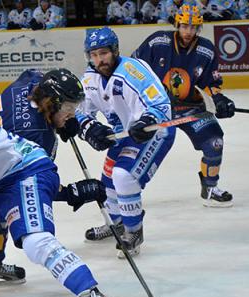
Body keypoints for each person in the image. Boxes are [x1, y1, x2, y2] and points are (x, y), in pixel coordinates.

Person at [0, 70, 133, 297]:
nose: (72, 112)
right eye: (69, 108)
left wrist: (77, 122)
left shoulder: (29, 99)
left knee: (35, 240)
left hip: (15, 171)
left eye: (73, 108)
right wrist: (73, 191)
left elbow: (36, 180)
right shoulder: (34, 128)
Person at [75, 27, 175, 259]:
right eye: (94, 54)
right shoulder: (89, 78)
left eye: (103, 53)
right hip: (125, 134)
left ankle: (133, 231)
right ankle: (117, 225)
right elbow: (79, 112)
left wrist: (148, 120)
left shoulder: (133, 71)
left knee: (123, 176)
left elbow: (161, 105)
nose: (99, 59)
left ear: (115, 50)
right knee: (108, 183)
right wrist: (90, 128)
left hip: (154, 132)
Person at [132, 5, 236, 208]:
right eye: (184, 26)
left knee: (215, 142)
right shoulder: (158, 41)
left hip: (192, 108)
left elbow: (211, 83)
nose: (189, 31)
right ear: (177, 24)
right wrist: (153, 92)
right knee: (138, 145)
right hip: (158, 108)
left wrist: (220, 100)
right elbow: (134, 68)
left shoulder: (206, 50)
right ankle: (128, 190)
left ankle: (210, 187)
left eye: (193, 27)